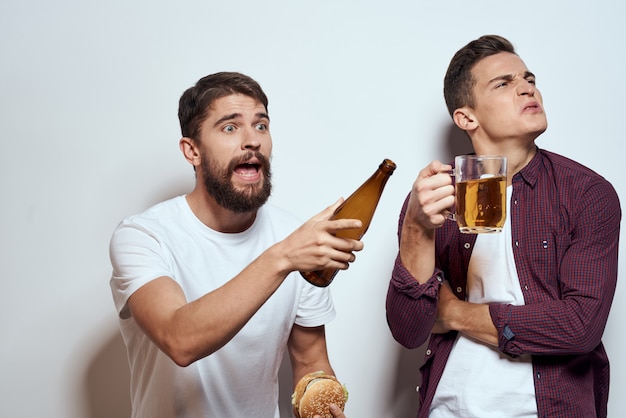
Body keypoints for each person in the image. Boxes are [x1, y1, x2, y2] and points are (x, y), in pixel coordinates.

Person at [386, 35, 621, 417]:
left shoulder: (587, 193)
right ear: (466, 117)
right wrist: (416, 229)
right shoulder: (434, 200)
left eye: (528, 78)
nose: (527, 87)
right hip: (449, 406)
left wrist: (453, 313)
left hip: (549, 407)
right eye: (504, 83)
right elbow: (409, 331)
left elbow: (580, 325)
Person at [109, 72, 359, 418]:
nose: (252, 141)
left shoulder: (295, 237)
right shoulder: (143, 236)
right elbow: (178, 340)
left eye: (261, 126)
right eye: (230, 127)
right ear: (192, 150)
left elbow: (310, 362)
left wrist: (321, 403)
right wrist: (283, 257)